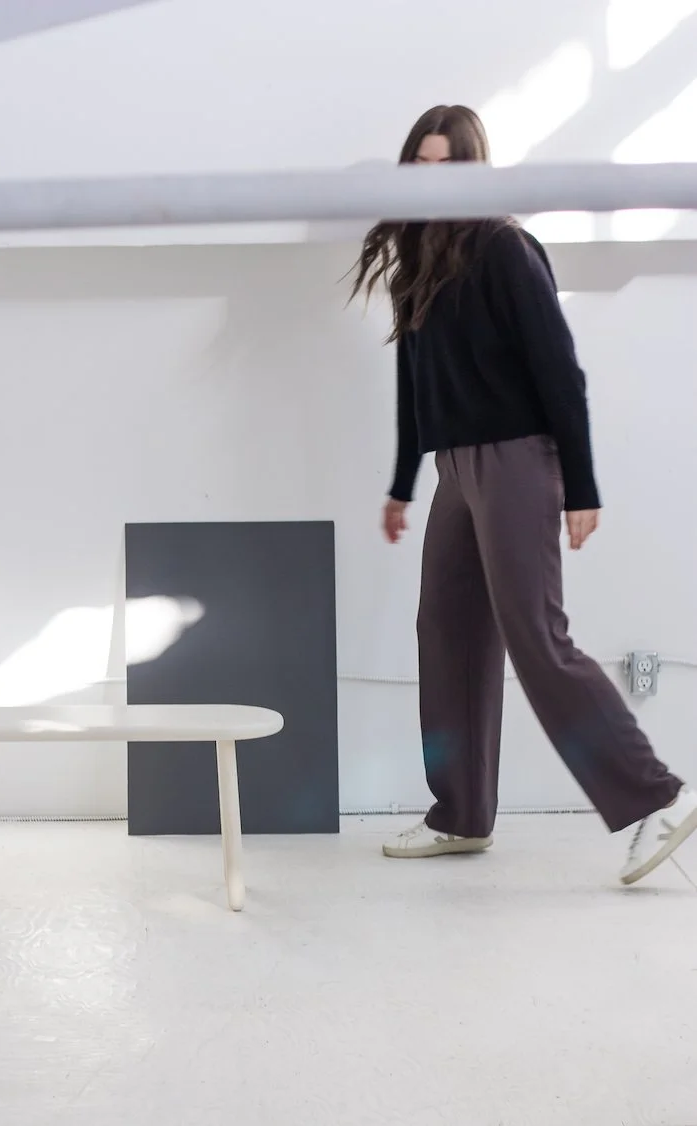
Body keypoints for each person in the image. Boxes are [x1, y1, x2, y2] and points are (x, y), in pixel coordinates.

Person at [351, 104, 696, 885]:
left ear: (475, 168)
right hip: (456, 469)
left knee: (537, 636)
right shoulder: (419, 262)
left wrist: (581, 484)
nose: (432, 177)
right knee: (447, 630)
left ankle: (656, 799)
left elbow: (560, 369)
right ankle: (461, 814)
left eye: (447, 163)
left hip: (517, 459)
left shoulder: (505, 248)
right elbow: (414, 386)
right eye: (420, 164)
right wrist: (403, 484)